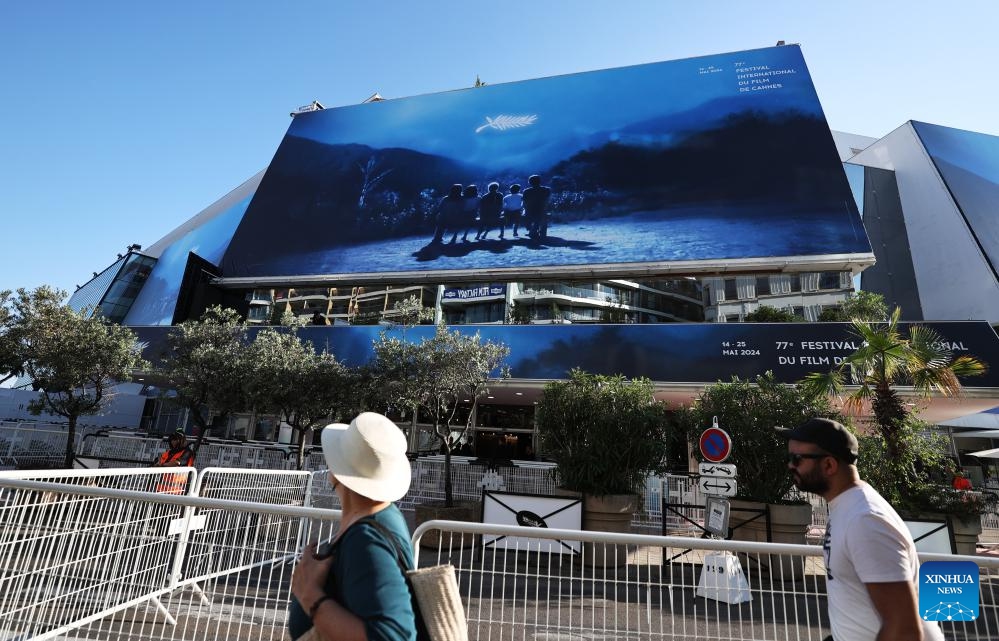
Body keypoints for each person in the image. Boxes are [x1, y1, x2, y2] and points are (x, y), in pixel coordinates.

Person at [779, 418, 943, 641]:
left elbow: (904, 629)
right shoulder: (847, 507)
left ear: (829, 465)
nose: (790, 465)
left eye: (797, 459)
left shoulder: (865, 520)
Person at [288, 412, 421, 641]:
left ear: (336, 473)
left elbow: (392, 636)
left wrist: (309, 594)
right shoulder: (380, 515)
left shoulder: (365, 539)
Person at [152, 429, 195, 494]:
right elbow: (158, 461)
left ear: (181, 440)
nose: (173, 442)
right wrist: (156, 465)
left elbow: (177, 463)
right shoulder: (169, 453)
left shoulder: (187, 452)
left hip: (176, 492)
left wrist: (162, 465)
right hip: (160, 490)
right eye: (172, 440)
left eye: (175, 439)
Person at [521, 174, 551, 239]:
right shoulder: (547, 189)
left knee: (525, 214)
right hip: (542, 209)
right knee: (540, 215)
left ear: (530, 182)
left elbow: (524, 203)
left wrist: (526, 209)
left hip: (530, 210)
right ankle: (538, 231)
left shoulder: (526, 191)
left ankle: (532, 230)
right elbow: (547, 201)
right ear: (539, 181)